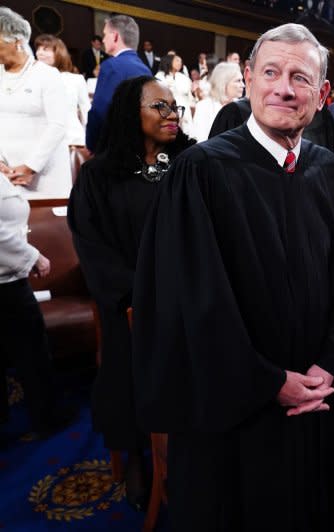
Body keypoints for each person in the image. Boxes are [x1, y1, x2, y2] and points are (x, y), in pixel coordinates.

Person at [131, 23, 334, 531]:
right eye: (271, 73)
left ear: (323, 95)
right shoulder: (201, 172)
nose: (284, 88)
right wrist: (267, 382)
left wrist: (331, 361)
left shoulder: (329, 171)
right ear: (247, 79)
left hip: (315, 393)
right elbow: (191, 301)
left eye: (301, 78)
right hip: (234, 409)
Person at [68, 75, 194, 511]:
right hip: (130, 303)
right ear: (129, 112)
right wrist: (138, 295)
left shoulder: (191, 161)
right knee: (128, 368)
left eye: (175, 106)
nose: (171, 114)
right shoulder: (100, 174)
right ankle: (139, 456)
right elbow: (91, 244)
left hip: (191, 299)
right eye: (159, 106)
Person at [0, 158, 75, 439]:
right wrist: (32, 256)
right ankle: (48, 418)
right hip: (6, 281)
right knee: (32, 352)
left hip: (7, 276)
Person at [0, 8, 70, 200]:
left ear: (17, 41)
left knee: (45, 228)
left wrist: (30, 167)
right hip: (5, 178)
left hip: (46, 177)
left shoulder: (47, 75)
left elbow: (57, 126)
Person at [86, 15, 151, 152]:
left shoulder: (111, 66)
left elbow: (99, 112)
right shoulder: (146, 69)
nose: (103, 40)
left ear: (115, 36)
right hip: (139, 148)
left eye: (104, 35)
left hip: (114, 150)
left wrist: (92, 146)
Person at [34, 34, 91, 148]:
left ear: (58, 53)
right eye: (38, 49)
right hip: (40, 141)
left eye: (45, 49)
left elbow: (86, 111)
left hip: (72, 139)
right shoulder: (32, 78)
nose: (39, 53)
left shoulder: (75, 79)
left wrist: (91, 138)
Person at [192, 62, 244, 142]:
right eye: (238, 81)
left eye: (242, 80)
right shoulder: (203, 107)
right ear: (223, 83)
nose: (243, 85)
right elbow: (199, 141)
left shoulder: (242, 106)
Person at [156, 54, 195, 136]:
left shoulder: (183, 77)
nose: (179, 63)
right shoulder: (160, 76)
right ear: (169, 61)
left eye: (181, 61)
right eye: (177, 60)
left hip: (184, 110)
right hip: (168, 110)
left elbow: (189, 95)